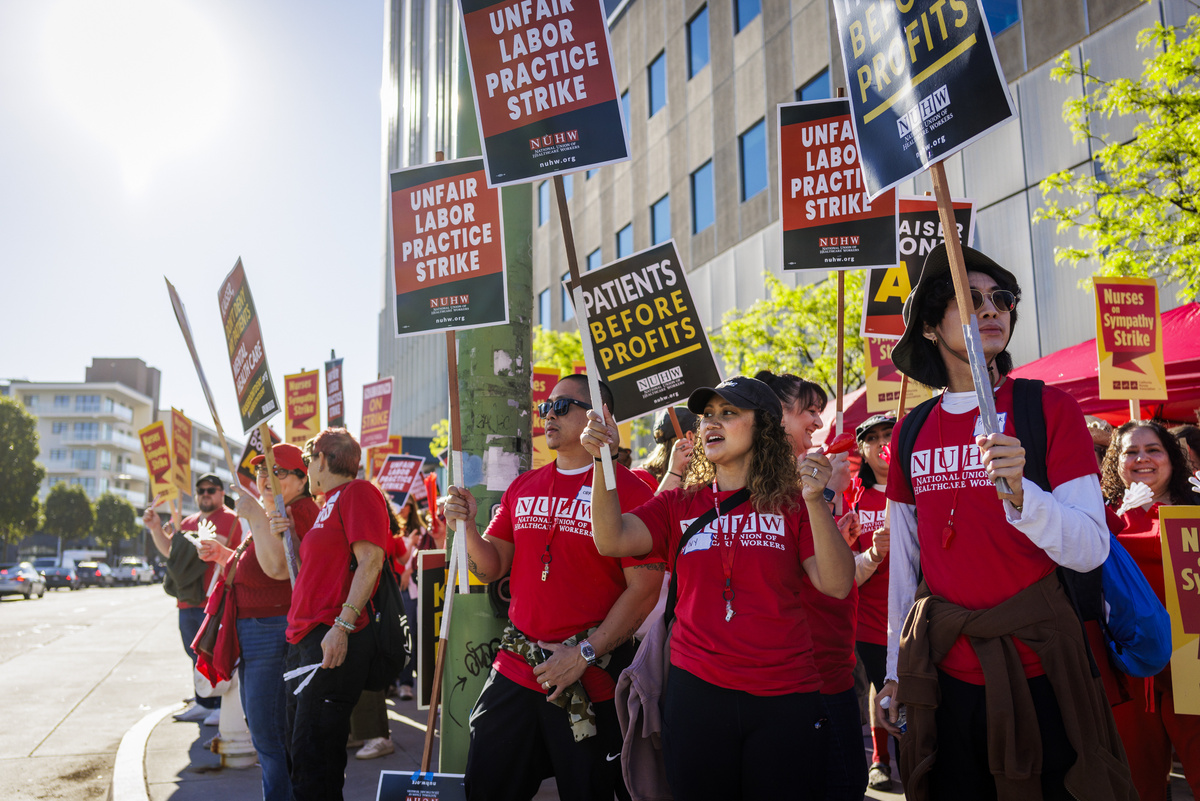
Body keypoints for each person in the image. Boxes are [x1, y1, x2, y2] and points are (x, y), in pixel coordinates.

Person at [879, 243, 1131, 800]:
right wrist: (897, 670)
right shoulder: (911, 431)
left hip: (1045, 673)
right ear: (928, 328)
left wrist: (1025, 497)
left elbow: (1091, 547)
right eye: (968, 301)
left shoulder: (1049, 409)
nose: (991, 310)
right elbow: (906, 566)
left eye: (1001, 299)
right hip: (946, 676)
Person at [586, 376, 855, 801]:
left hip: (785, 697)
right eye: (707, 414)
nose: (712, 422)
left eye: (729, 413)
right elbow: (612, 538)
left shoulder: (792, 501)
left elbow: (837, 585)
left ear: (763, 426)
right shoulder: (679, 504)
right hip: (697, 695)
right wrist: (602, 461)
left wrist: (815, 499)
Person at [444, 374, 663, 801]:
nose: (548, 414)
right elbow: (488, 569)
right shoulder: (523, 486)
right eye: (545, 407)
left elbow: (645, 591)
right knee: (486, 786)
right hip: (516, 667)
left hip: (592, 678)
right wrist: (466, 527)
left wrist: (583, 654)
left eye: (562, 406)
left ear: (601, 415)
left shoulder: (634, 490)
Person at [754, 369, 865, 800]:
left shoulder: (806, 478)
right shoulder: (770, 488)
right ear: (776, 414)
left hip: (836, 662)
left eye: (821, 411)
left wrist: (836, 519)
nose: (820, 423)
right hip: (805, 675)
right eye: (810, 411)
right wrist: (829, 494)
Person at [195, 443, 318, 801]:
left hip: (270, 628)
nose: (266, 477)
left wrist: (253, 516)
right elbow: (265, 564)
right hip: (259, 628)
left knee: (269, 734)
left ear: (301, 478)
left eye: (278, 472)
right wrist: (225, 555)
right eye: (263, 470)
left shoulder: (297, 510)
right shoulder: (278, 509)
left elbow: (280, 568)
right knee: (265, 730)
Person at [283, 428, 390, 801]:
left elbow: (371, 560)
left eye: (308, 460)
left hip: (330, 641)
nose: (307, 468)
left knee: (316, 763)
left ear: (323, 459)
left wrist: (342, 626)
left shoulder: (358, 492)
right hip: (304, 640)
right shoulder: (328, 501)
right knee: (299, 755)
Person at [1102, 419, 1200, 799]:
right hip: (1131, 668)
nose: (1142, 458)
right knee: (1138, 781)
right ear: (1117, 461)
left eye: (1153, 449)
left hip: (1192, 662)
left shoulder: (1195, 507)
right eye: (1131, 451)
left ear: (1172, 460)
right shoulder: (1099, 516)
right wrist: (1114, 521)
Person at [143, 473, 240, 726]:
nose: (205, 494)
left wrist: (179, 539)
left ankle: (220, 704)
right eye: (201, 490)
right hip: (188, 599)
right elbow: (173, 555)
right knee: (195, 653)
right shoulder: (188, 520)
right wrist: (156, 529)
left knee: (216, 653)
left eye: (211, 489)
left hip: (214, 599)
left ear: (221, 493)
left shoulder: (231, 518)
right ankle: (204, 701)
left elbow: (203, 551)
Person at [849, 412, 895, 792]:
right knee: (881, 690)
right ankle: (880, 758)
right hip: (868, 618)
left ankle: (917, 756)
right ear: (862, 450)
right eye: (873, 437)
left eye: (889, 434)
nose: (882, 443)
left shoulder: (916, 486)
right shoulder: (851, 494)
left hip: (916, 611)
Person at [633, 406, 698, 490]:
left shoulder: (639, 478)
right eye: (700, 434)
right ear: (690, 436)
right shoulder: (640, 479)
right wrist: (674, 472)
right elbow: (654, 503)